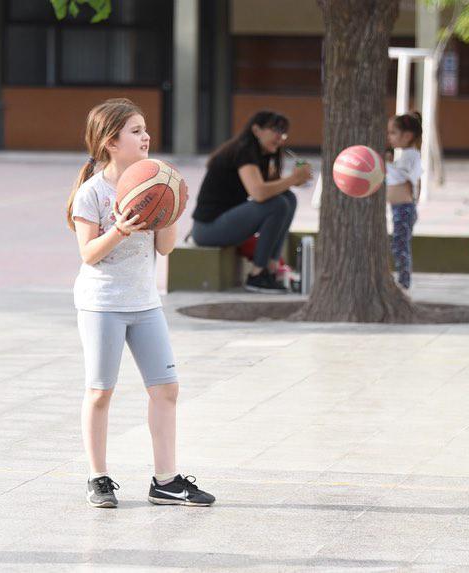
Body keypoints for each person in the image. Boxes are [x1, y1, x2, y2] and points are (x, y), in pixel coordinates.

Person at [67, 98, 215, 507]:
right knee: (100, 392)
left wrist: (170, 208)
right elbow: (88, 253)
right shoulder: (92, 193)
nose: (146, 136)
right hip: (102, 304)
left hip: (145, 303)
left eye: (145, 128)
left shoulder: (151, 182)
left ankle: (166, 481)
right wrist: (120, 228)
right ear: (111, 142)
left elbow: (165, 248)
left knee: (166, 389)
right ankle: (98, 477)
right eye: (135, 130)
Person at [190, 111, 311, 293]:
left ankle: (270, 268)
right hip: (208, 229)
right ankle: (257, 275)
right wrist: (293, 179)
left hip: (225, 223)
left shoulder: (262, 155)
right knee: (278, 204)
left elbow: (272, 189)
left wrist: (296, 180)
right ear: (256, 130)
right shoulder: (243, 151)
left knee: (288, 199)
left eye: (283, 133)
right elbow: (259, 193)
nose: (280, 137)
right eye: (275, 130)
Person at [385, 112, 423, 290]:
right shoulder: (403, 155)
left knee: (400, 245)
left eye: (393, 133)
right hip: (397, 208)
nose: (389, 137)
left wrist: (385, 165)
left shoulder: (412, 156)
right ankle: (401, 278)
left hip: (404, 208)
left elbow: (405, 176)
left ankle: (404, 281)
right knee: (398, 243)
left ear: (407, 136)